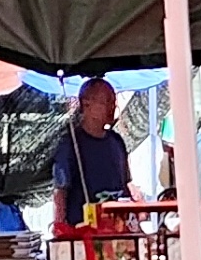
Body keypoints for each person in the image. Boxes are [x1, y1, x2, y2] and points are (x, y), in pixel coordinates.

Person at [49, 78, 138, 228]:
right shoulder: (70, 144)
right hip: (83, 228)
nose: (112, 107)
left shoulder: (117, 141)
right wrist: (60, 226)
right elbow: (61, 191)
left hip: (117, 228)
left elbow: (126, 184)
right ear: (86, 104)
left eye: (114, 102)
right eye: (107, 102)